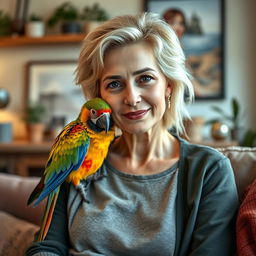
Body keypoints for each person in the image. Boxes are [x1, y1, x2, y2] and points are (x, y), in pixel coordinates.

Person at [26, 13, 238, 256]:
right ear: (99, 96)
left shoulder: (209, 171)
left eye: (145, 78)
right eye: (114, 84)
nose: (132, 98)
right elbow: (46, 247)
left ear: (168, 86)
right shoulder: (81, 158)